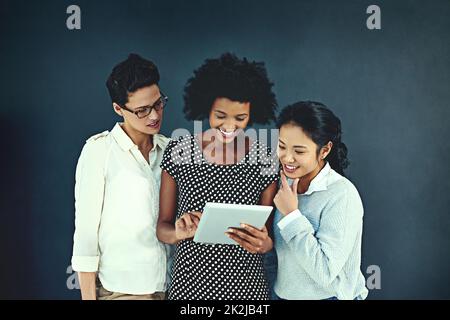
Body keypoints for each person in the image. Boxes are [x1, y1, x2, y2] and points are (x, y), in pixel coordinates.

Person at [157, 53, 279, 300]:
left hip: (247, 290)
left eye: (240, 118)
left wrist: (263, 243)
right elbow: (163, 228)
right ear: (205, 107)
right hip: (190, 288)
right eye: (220, 116)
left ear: (253, 114)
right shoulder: (180, 151)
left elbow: (268, 239)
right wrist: (179, 233)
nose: (230, 126)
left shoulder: (265, 158)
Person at [71, 53, 170, 300]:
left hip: (171, 287)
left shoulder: (171, 150)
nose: (154, 116)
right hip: (120, 291)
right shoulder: (99, 150)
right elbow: (85, 234)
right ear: (118, 109)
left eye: (158, 104)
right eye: (142, 110)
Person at [272, 101, 369, 300]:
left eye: (299, 151)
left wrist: (291, 216)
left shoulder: (342, 195)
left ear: (324, 151)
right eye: (282, 146)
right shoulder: (283, 185)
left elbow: (325, 271)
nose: (287, 158)